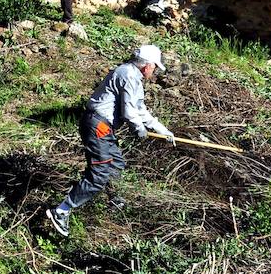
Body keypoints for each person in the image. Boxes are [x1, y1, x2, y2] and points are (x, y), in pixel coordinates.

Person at [46, 45, 176, 237]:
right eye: (154, 66)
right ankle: (61, 211)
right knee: (99, 173)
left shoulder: (133, 76)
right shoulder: (128, 75)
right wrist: (139, 129)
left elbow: (140, 110)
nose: (155, 70)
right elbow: (129, 112)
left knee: (115, 164)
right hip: (98, 126)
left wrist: (164, 131)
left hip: (102, 127)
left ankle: (115, 201)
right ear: (146, 65)